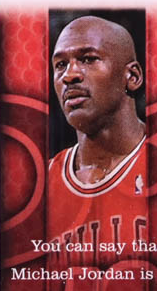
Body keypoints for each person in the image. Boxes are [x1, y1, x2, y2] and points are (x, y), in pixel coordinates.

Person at [47, 15, 149, 259]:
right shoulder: (38, 187)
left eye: (88, 59)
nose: (69, 75)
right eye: (60, 65)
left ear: (132, 77)